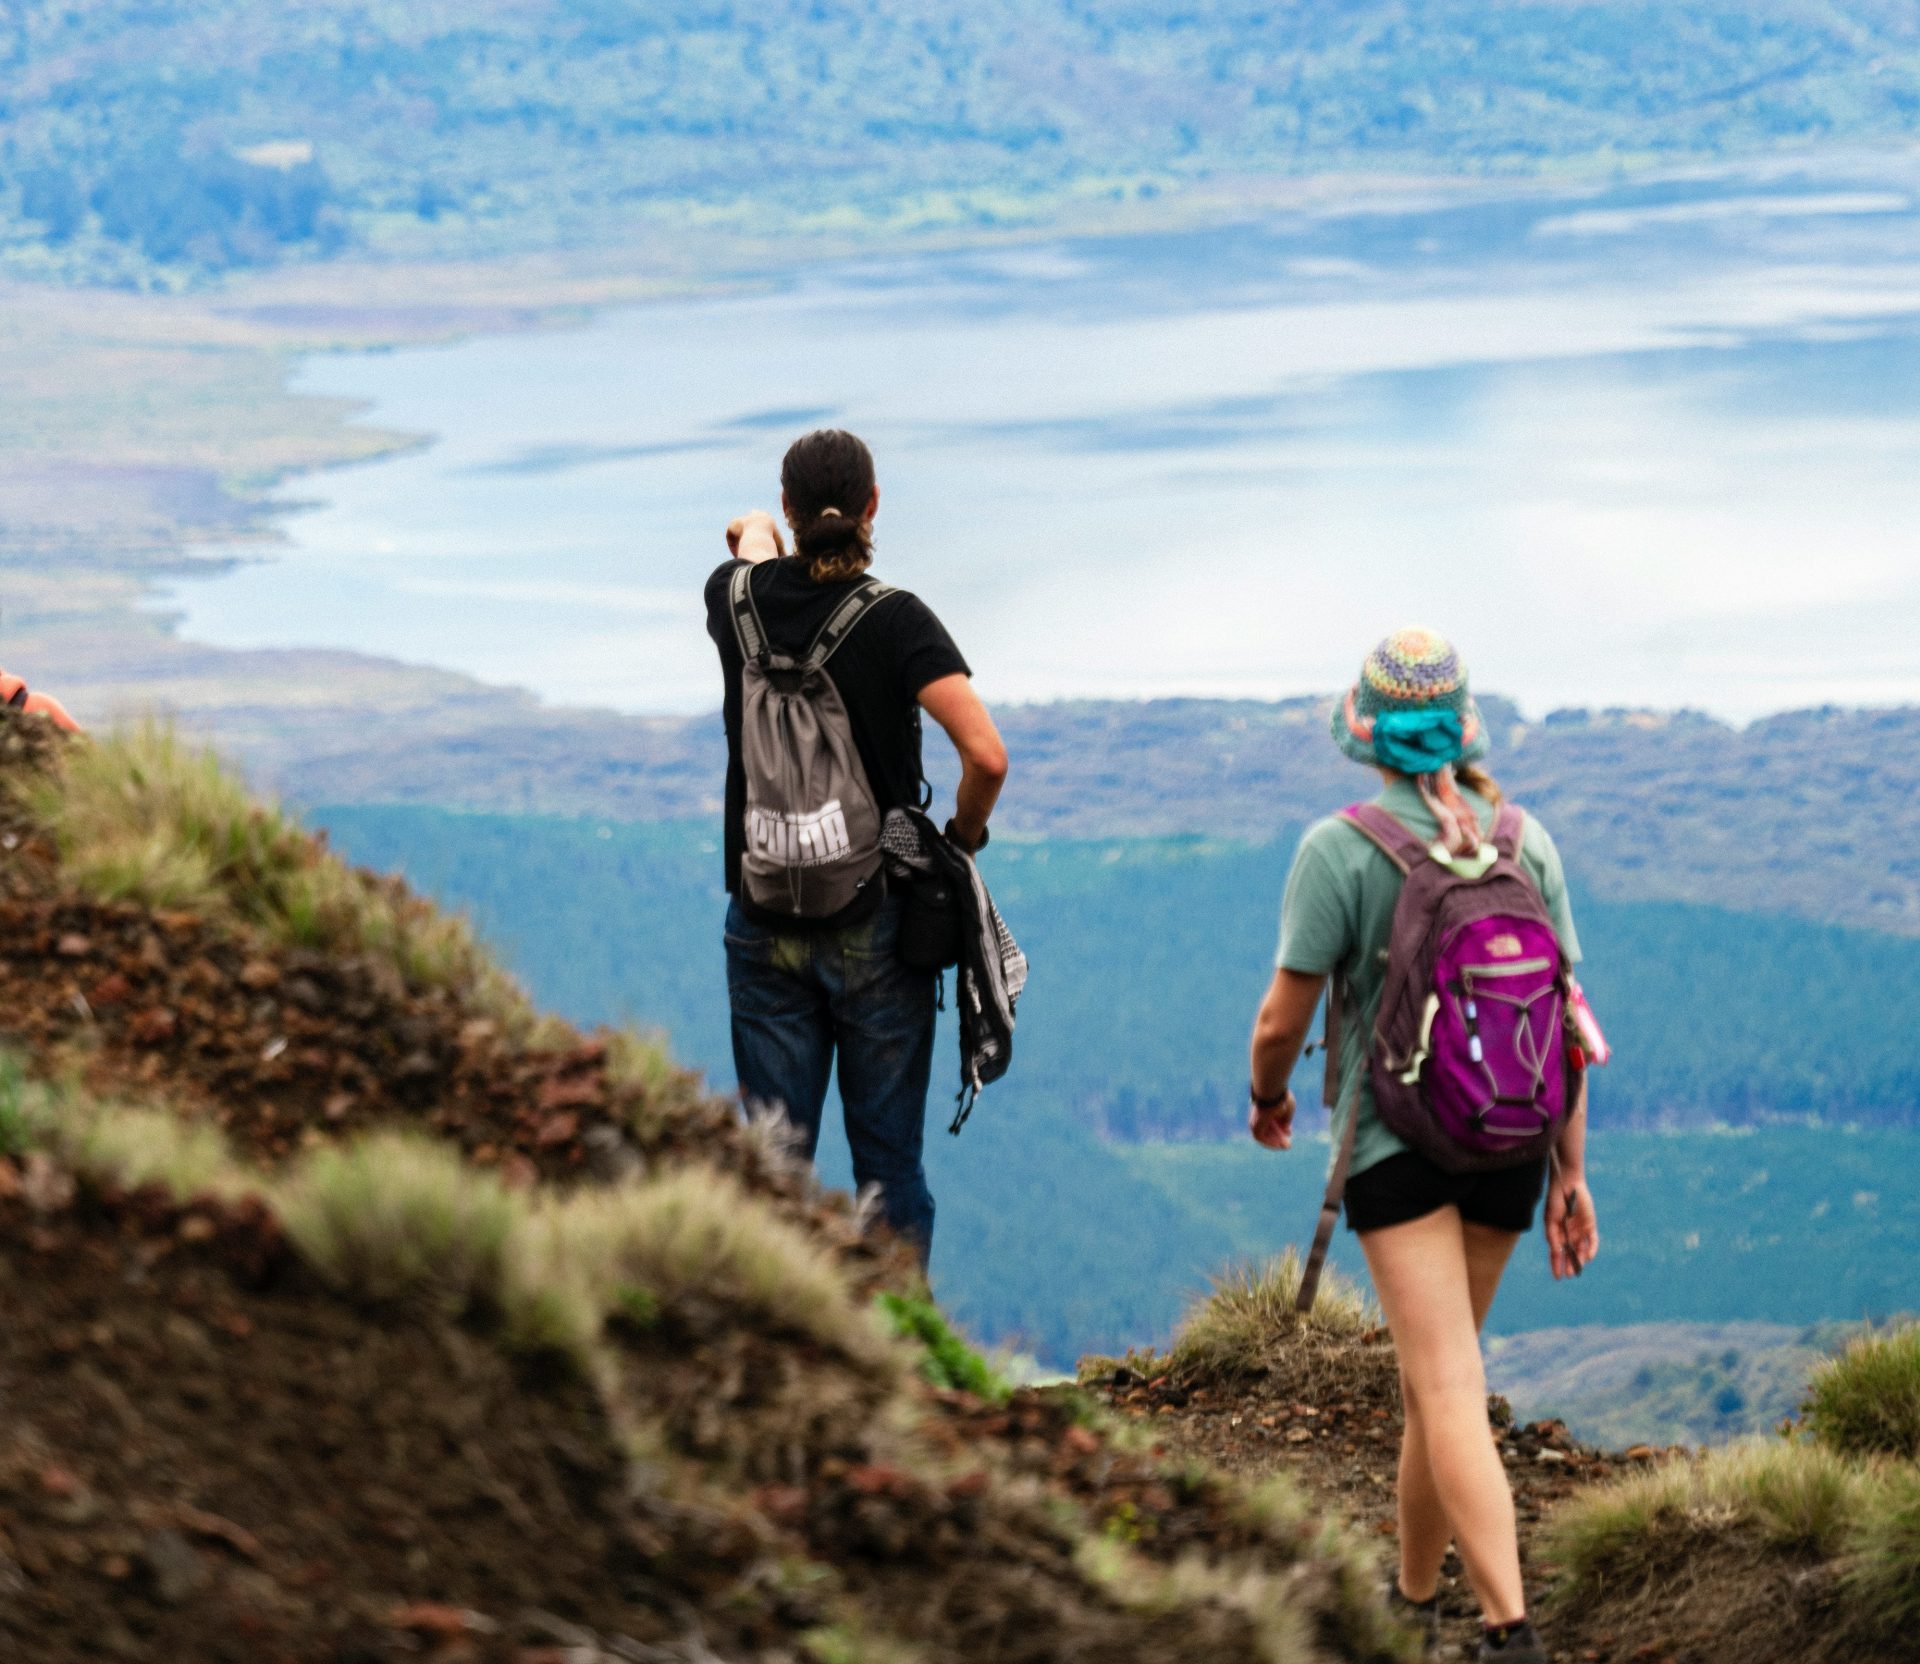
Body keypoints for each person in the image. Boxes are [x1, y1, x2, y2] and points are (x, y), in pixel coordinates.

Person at [1245, 627, 1598, 1664]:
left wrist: (1267, 1093)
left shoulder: (1339, 848)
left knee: (1444, 1384)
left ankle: (1508, 1627)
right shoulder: (1522, 840)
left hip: (1393, 1144)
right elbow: (1569, 1019)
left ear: (1365, 731)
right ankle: (1409, 1604)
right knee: (1434, 1379)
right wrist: (1571, 1172)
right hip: (1510, 1141)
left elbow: (1281, 1017)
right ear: (1462, 726)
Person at [706, 428, 1007, 1262]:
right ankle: (907, 1350)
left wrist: (763, 527)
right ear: (874, 507)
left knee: (773, 1168)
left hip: (761, 917)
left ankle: (785, 1337)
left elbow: (745, 541)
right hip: (876, 924)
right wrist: (963, 837)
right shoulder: (895, 620)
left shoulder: (734, 604)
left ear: (793, 512)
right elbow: (987, 756)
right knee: (887, 1168)